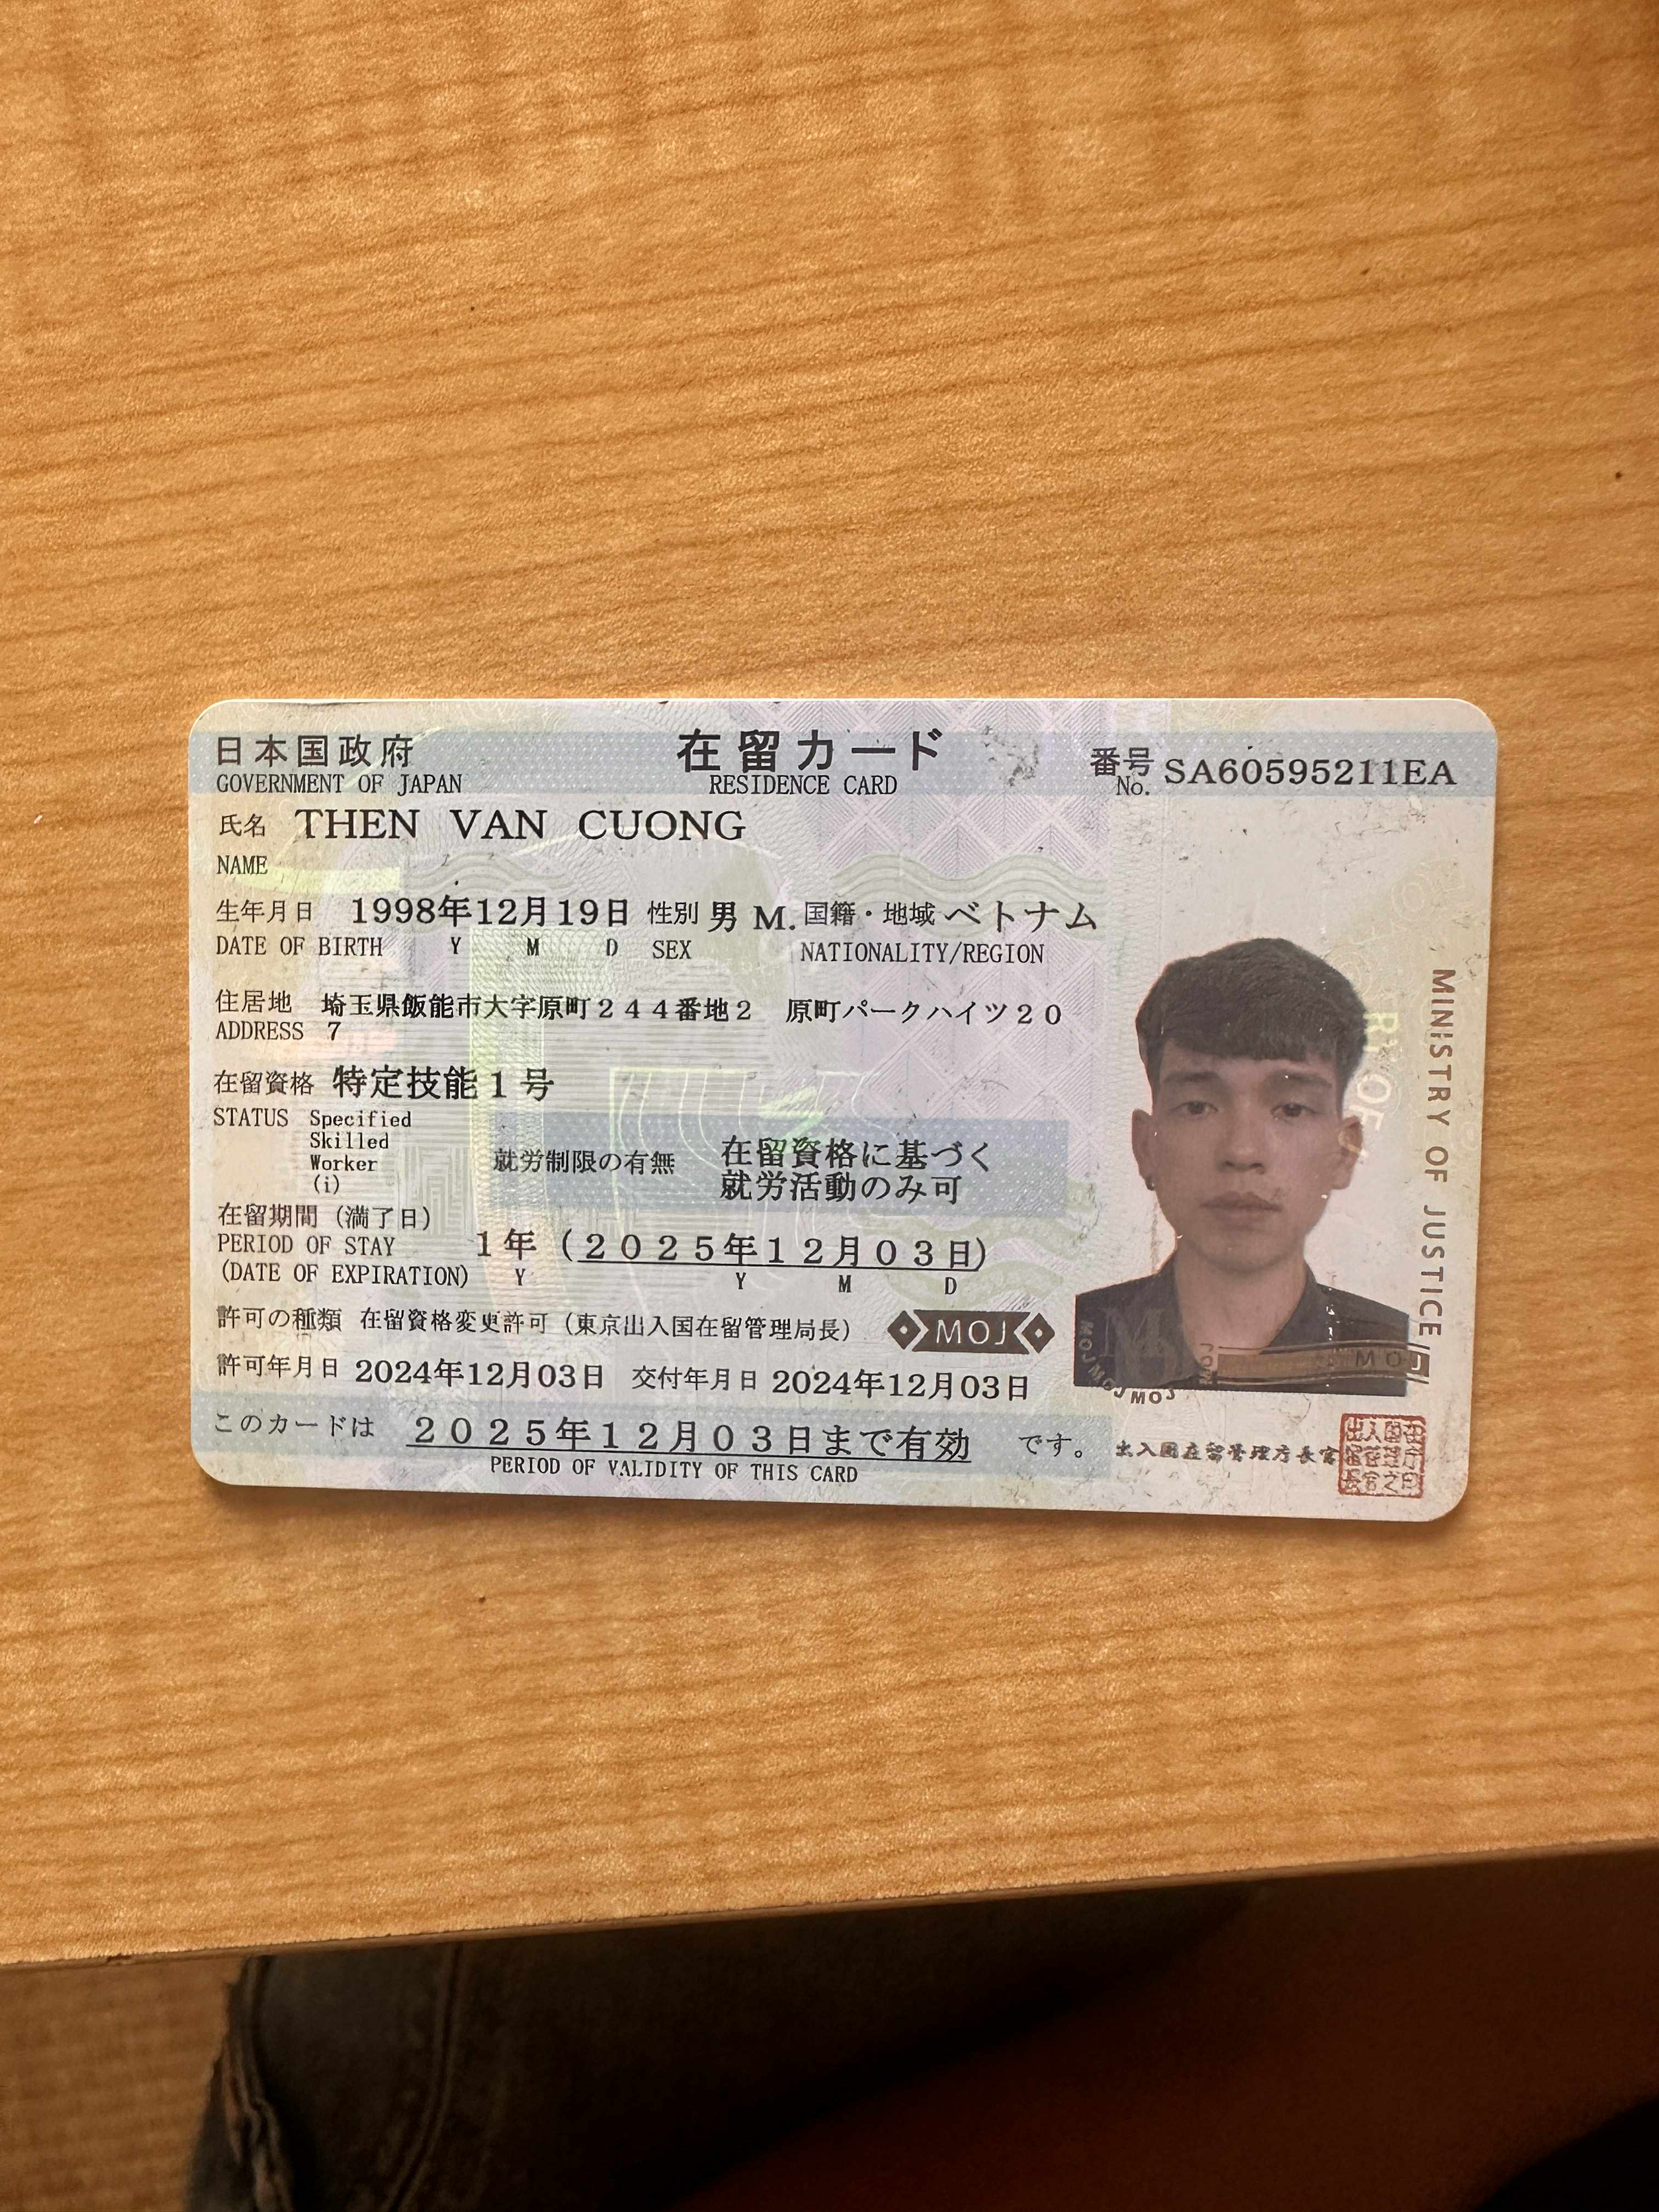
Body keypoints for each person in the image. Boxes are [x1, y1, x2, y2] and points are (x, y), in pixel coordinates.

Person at [1073, 937, 1410, 1394]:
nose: (1243, 1151)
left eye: (1291, 1109)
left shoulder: (1396, 1354)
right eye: (1198, 1107)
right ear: (1146, 1146)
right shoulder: (1076, 1336)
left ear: (1344, 1151)